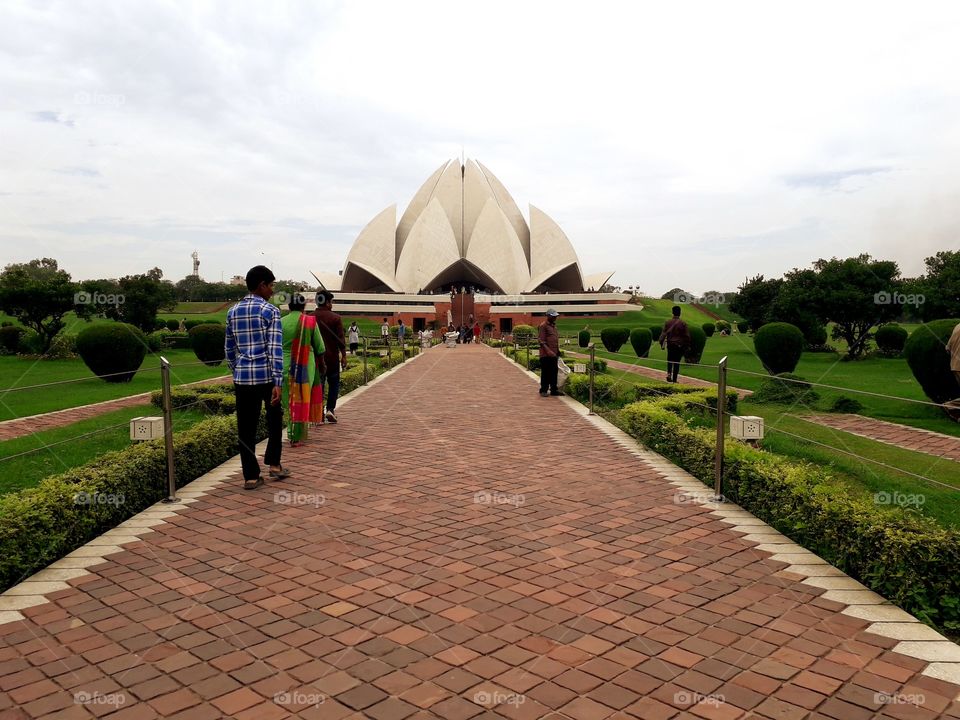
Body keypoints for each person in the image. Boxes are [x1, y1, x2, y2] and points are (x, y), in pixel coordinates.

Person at [225, 265, 289, 489]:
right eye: (271, 285)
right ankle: (274, 464)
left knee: (246, 427)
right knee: (274, 421)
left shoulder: (232, 311)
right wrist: (278, 381)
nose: (272, 290)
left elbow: (229, 348)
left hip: (243, 378)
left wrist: (237, 369)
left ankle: (251, 476)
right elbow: (275, 349)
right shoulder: (270, 311)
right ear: (261, 285)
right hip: (266, 377)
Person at [281, 294, 326, 446]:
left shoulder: (280, 322)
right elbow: (319, 347)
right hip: (305, 365)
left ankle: (292, 432)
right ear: (304, 306)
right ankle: (297, 435)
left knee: (289, 399)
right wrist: (322, 365)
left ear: (289, 306)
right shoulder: (310, 322)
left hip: (285, 364)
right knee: (302, 398)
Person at [315, 291, 348, 423]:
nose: (332, 305)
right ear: (328, 302)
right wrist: (344, 355)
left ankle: (319, 412)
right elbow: (340, 339)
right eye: (331, 302)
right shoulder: (335, 318)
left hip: (316, 359)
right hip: (332, 358)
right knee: (334, 384)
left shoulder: (310, 317)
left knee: (319, 385)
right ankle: (330, 409)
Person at [659, 306, 691, 383]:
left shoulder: (668, 322)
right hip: (679, 346)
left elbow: (663, 335)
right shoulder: (683, 323)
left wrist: (661, 343)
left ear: (672, 312)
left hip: (670, 345)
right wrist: (687, 346)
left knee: (669, 361)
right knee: (676, 363)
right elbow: (687, 336)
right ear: (680, 313)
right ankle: (674, 380)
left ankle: (669, 374)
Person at [538, 309, 561, 396]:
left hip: (554, 354)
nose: (555, 318)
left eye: (556, 316)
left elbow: (555, 340)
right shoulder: (543, 326)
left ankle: (554, 390)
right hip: (546, 354)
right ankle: (543, 390)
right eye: (553, 316)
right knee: (546, 372)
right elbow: (541, 341)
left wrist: (557, 351)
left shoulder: (554, 326)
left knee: (554, 372)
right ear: (548, 316)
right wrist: (548, 351)